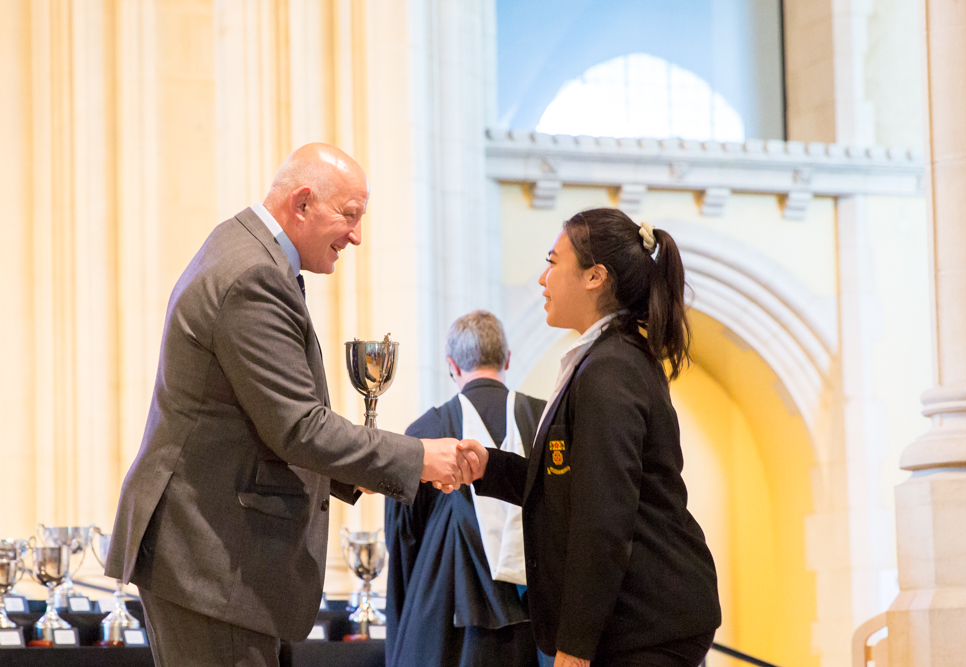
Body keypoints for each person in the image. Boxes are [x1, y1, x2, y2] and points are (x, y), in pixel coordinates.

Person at [104, 143, 486, 667]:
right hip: (211, 561)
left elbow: (266, 423)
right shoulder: (253, 275)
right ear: (302, 202)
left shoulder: (246, 251)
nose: (356, 235)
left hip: (217, 560)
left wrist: (381, 471)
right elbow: (299, 428)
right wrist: (419, 458)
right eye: (349, 216)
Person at [467, 208, 722, 667]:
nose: (542, 279)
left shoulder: (612, 369)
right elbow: (568, 483)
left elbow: (604, 515)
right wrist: (488, 466)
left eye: (553, 261)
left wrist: (577, 645)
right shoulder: (602, 359)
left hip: (647, 620)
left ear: (595, 277)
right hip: (638, 619)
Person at [384, 311, 548, 667]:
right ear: (506, 359)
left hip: (447, 624)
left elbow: (404, 539)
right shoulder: (546, 422)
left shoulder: (426, 432)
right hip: (538, 628)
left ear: (452, 366)